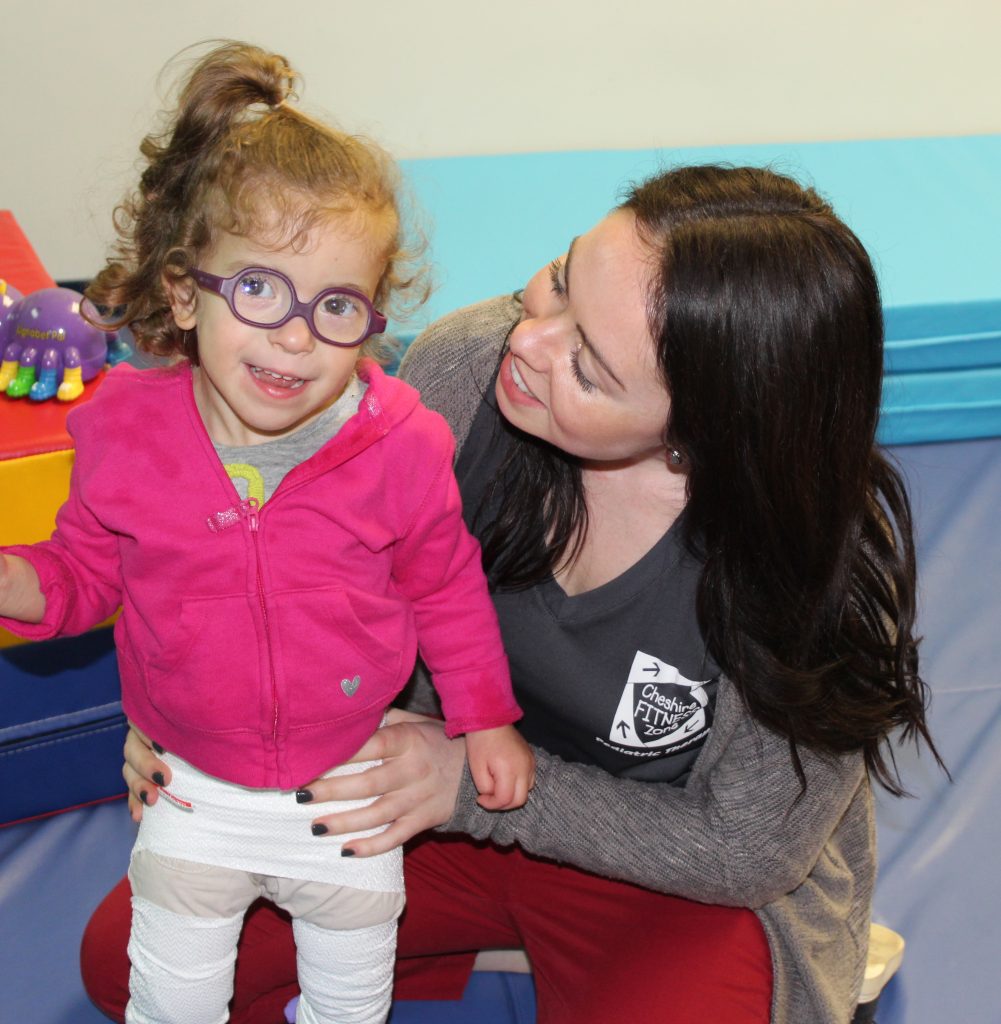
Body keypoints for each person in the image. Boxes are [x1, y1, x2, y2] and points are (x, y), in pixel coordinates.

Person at [80, 164, 940, 1024]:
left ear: (701, 431)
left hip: (660, 868)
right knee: (128, 965)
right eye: (560, 282)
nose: (528, 342)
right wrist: (193, 713)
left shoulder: (810, 556)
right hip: (440, 808)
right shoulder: (464, 373)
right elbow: (290, 573)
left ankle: (582, 955)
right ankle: (493, 938)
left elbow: (744, 847)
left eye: (590, 367)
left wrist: (475, 790)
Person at [0, 42, 534, 1024]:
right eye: (257, 290)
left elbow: (445, 584)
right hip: (191, 783)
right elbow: (80, 576)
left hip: (347, 786)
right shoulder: (122, 430)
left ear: (370, 317)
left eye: (334, 306)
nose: (295, 337)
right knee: (171, 992)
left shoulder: (399, 442)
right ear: (182, 293)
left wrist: (483, 714)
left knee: (348, 992)